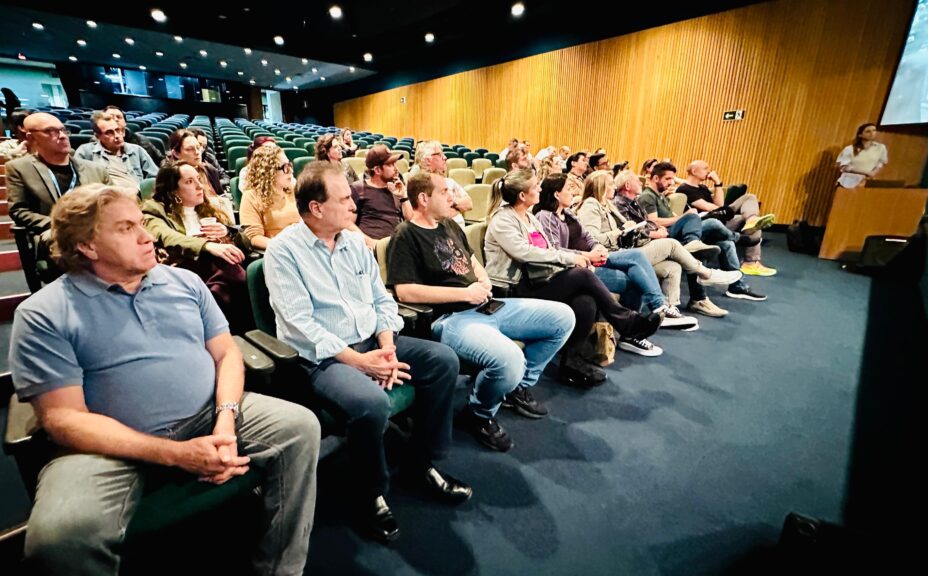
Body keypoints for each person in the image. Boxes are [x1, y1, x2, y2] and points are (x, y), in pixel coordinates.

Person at [9, 183, 320, 575]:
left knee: (300, 427)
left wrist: (225, 419)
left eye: (142, 223)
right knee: (60, 538)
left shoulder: (185, 283)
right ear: (87, 246)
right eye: (126, 228)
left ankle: (280, 568)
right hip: (109, 447)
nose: (146, 237)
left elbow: (226, 355)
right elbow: (63, 419)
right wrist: (177, 454)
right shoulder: (44, 313)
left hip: (208, 413)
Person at [265, 161, 471, 544]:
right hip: (323, 358)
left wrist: (388, 348)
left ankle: (421, 461)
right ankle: (370, 492)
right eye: (344, 199)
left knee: (443, 361)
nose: (353, 205)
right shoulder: (283, 252)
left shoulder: (355, 244)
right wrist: (360, 362)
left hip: (372, 344)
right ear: (316, 208)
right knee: (372, 403)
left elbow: (382, 301)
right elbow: (298, 325)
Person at [388, 171, 575, 452]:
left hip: (487, 304)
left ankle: (515, 388)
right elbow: (405, 291)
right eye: (445, 192)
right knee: (510, 360)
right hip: (451, 318)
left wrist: (483, 279)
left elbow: (472, 261)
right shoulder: (406, 235)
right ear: (424, 199)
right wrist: (464, 293)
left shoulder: (449, 224)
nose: (452, 196)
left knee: (562, 318)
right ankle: (480, 413)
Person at [484, 168, 663, 362]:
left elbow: (551, 248)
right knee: (582, 275)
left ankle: (571, 363)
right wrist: (573, 259)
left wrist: (581, 258)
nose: (540, 189)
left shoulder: (530, 218)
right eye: (536, 186)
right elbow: (525, 253)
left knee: (586, 302)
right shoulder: (503, 220)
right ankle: (628, 322)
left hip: (537, 279)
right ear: (522, 195)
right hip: (513, 288)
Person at [534, 172, 699, 330]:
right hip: (574, 267)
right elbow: (554, 249)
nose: (574, 192)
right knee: (648, 257)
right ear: (557, 194)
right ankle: (652, 314)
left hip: (594, 257)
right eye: (569, 188)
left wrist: (597, 248)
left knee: (642, 267)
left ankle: (651, 316)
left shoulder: (568, 213)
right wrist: (589, 254)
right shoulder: (547, 216)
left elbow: (589, 237)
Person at [142, 162, 251, 334]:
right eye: (189, 182)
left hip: (217, 273)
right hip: (181, 271)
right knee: (229, 271)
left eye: (199, 179)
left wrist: (227, 231)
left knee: (230, 271)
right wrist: (207, 245)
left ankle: (223, 330)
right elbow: (168, 237)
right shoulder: (154, 211)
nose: (200, 186)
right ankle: (232, 332)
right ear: (173, 190)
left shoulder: (209, 208)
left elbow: (246, 241)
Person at [639, 161, 766, 309]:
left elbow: (719, 206)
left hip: (680, 231)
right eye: (667, 179)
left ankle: (736, 285)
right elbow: (653, 221)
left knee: (726, 244)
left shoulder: (661, 196)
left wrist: (682, 216)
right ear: (655, 178)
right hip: (667, 236)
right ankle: (738, 238)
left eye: (672, 179)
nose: (671, 182)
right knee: (710, 222)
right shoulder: (648, 196)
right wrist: (683, 217)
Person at [5, 112, 111, 265]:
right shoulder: (19, 168)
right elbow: (19, 211)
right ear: (31, 137)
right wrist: (62, 225)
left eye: (62, 130)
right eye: (50, 131)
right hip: (56, 233)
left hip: (96, 228)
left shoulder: (95, 169)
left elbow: (113, 203)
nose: (62, 136)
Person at [677, 160, 777, 277]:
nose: (709, 171)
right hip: (708, 224)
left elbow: (720, 205)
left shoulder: (703, 188)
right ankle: (750, 261)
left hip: (721, 217)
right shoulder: (685, 189)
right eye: (705, 168)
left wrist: (717, 183)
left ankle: (751, 222)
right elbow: (712, 208)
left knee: (751, 206)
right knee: (748, 219)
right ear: (694, 171)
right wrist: (724, 209)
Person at [240, 145, 300, 250]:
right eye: (285, 167)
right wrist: (285, 247)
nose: (291, 171)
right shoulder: (251, 197)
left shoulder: (294, 190)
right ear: (269, 171)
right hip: (278, 251)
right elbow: (254, 237)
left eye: (290, 165)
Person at [74, 112, 157, 188]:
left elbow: (155, 177)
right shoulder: (85, 152)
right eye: (109, 133)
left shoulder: (137, 150)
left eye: (117, 130)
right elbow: (78, 183)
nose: (117, 135)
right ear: (98, 136)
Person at [350, 144, 412, 246]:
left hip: (396, 247)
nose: (396, 168)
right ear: (377, 170)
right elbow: (348, 224)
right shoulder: (358, 189)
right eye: (390, 165)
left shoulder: (396, 189)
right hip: (370, 249)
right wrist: (371, 243)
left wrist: (403, 196)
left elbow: (410, 220)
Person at [167, 129, 233, 222]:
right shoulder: (169, 177)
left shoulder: (209, 169)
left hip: (213, 220)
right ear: (176, 153)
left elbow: (220, 197)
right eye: (189, 149)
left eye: (198, 147)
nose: (197, 152)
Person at [410, 140, 473, 225]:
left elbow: (469, 204)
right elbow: (433, 215)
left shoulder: (450, 181)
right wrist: (457, 208)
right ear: (428, 160)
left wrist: (452, 201)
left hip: (459, 233)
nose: (445, 157)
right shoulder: (418, 185)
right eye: (439, 155)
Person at [837, 123, 889, 188]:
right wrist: (866, 172)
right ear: (860, 135)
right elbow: (844, 167)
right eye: (868, 131)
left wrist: (873, 173)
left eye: (874, 130)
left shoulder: (881, 148)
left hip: (866, 182)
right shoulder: (849, 149)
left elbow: (881, 163)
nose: (872, 133)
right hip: (848, 182)